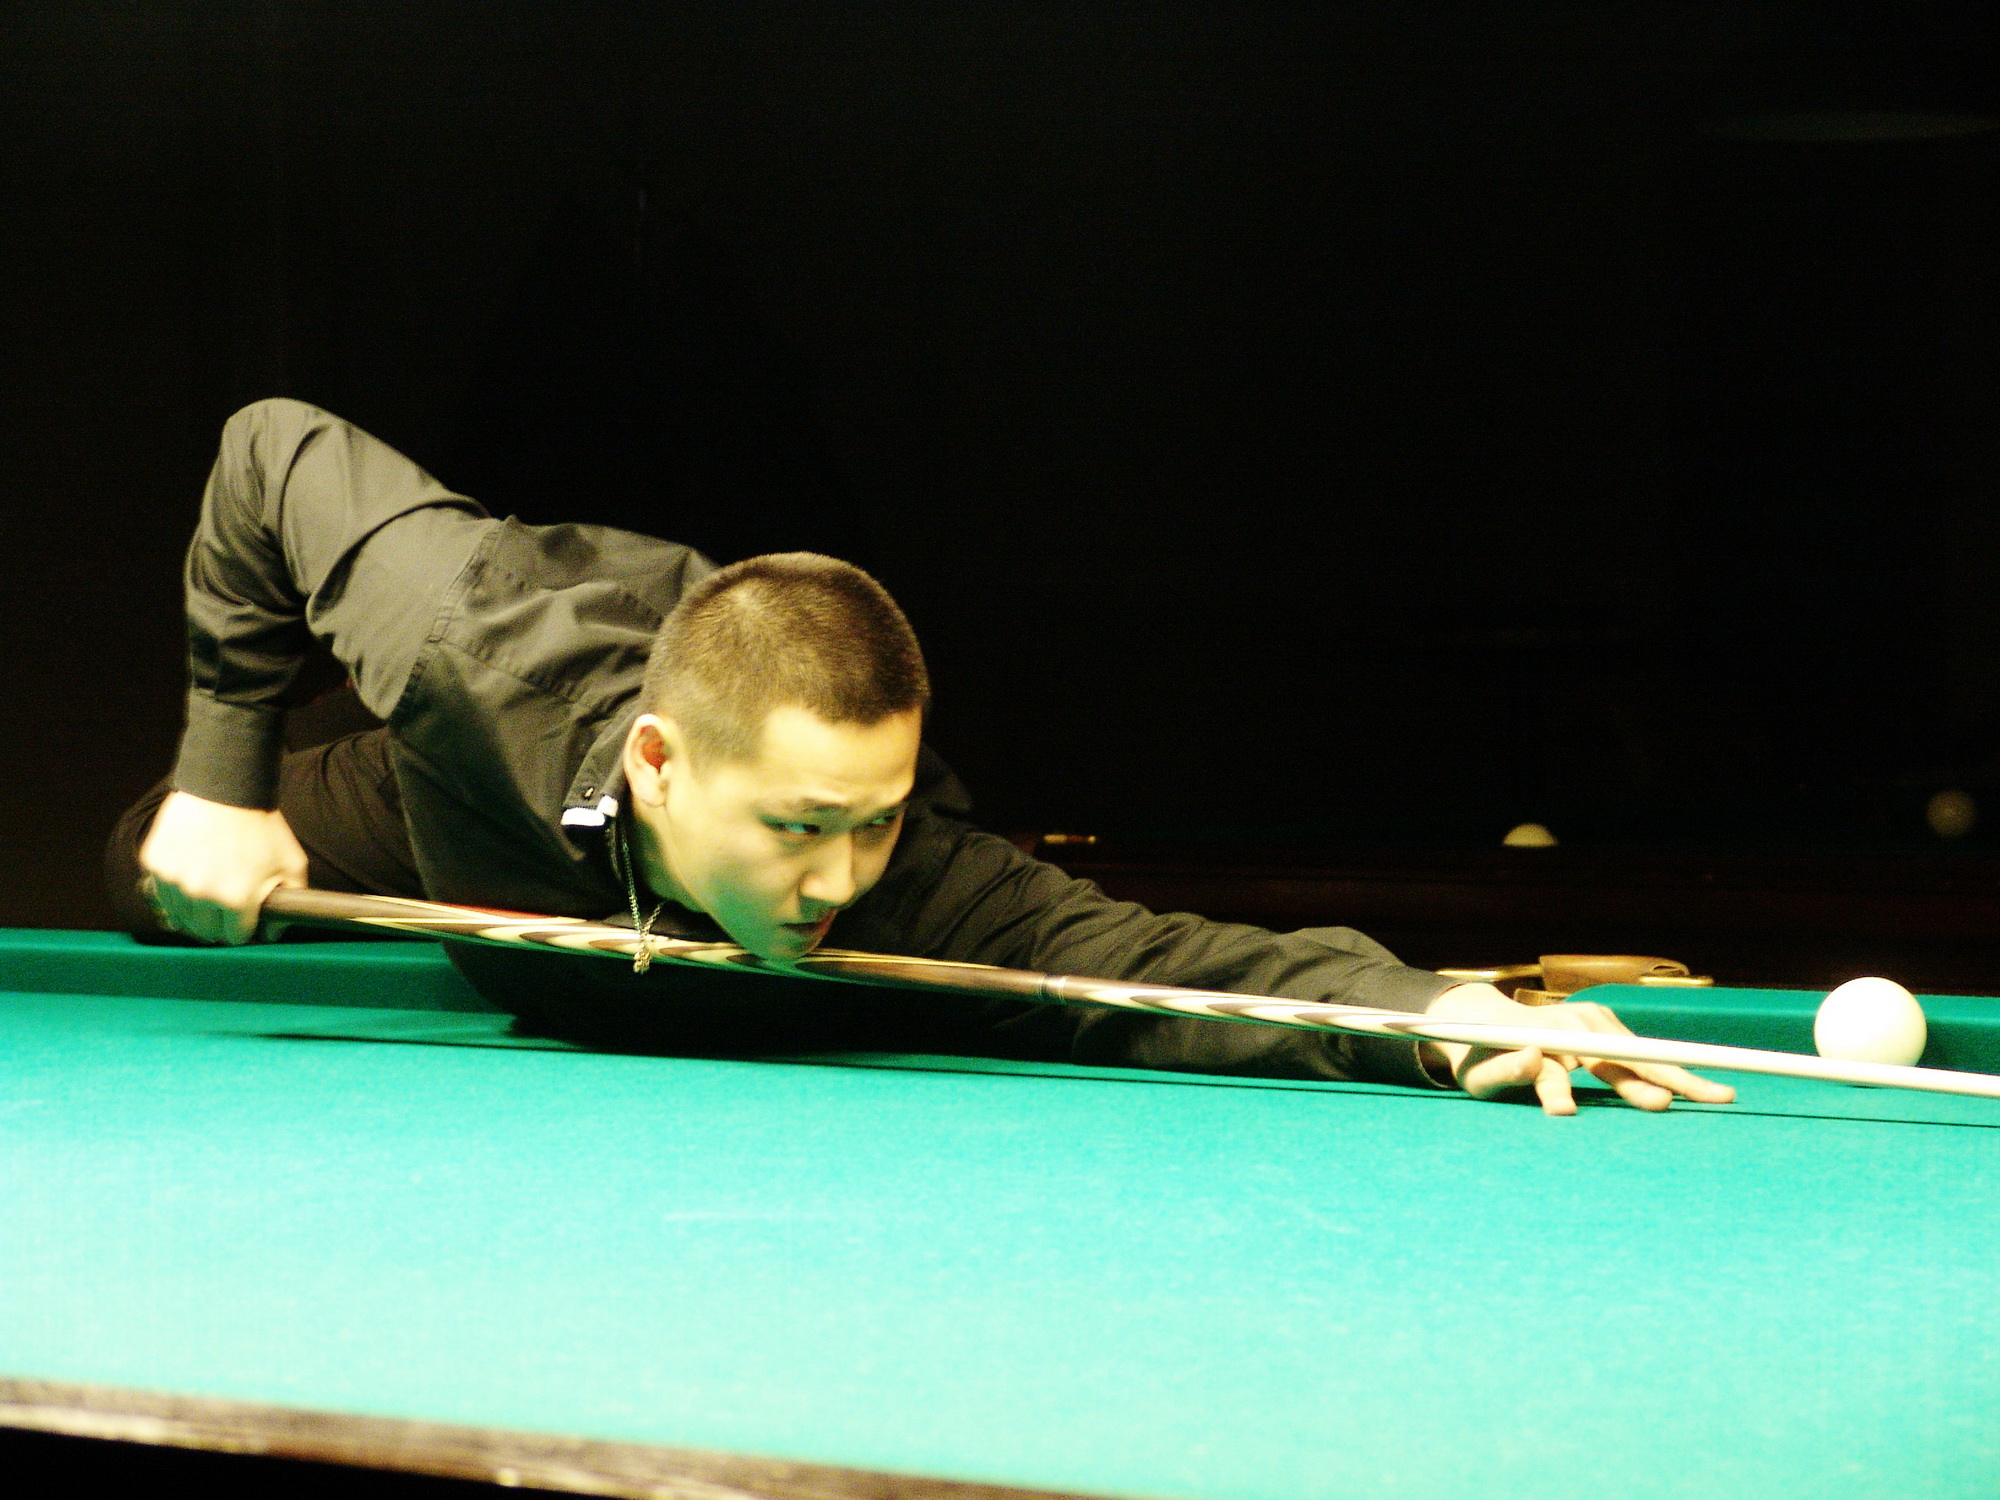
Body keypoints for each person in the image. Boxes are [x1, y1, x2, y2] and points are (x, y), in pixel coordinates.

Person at [115, 399, 1736, 1117]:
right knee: (143, 867)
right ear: (663, 767)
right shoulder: (473, 646)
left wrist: (1444, 1021)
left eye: (875, 820)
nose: (839, 879)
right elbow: (270, 450)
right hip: (457, 807)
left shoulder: (914, 887)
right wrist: (222, 779)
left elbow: (1171, 970)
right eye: (801, 826)